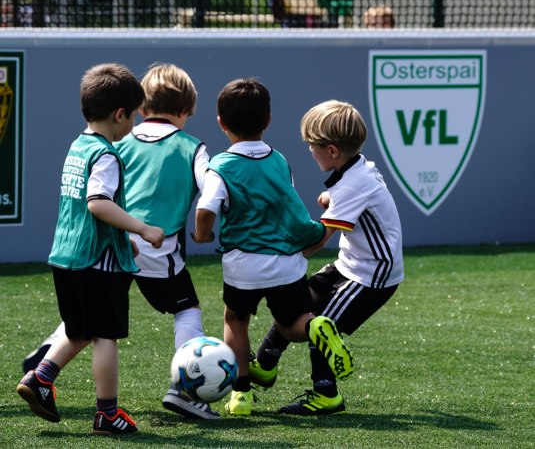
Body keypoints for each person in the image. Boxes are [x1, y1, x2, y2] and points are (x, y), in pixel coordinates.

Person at [22, 63, 220, 420]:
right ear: (184, 111)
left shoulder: (107, 141)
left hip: (101, 244)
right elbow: (210, 188)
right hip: (156, 246)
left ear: (143, 109)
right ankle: (182, 390)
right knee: (181, 309)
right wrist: (201, 224)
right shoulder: (190, 147)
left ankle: (47, 360)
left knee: (85, 317)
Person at [16, 63, 165, 435]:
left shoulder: (78, 146)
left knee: (79, 329)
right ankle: (107, 414)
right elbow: (97, 202)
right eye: (132, 115)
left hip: (66, 254)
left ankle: (40, 379)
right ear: (119, 114)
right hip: (96, 262)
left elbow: (87, 211)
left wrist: (120, 235)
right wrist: (142, 228)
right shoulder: (106, 155)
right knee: (105, 336)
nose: (132, 121)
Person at [191, 78, 355, 416]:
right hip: (286, 262)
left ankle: (241, 395)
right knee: (291, 323)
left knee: (235, 322)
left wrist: (202, 235)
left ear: (221, 123)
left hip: (243, 265)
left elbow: (206, 208)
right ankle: (314, 326)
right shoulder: (279, 160)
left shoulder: (219, 166)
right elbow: (287, 206)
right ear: (267, 120)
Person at [248, 99, 404, 415]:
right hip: (352, 263)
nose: (309, 150)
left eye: (312, 145)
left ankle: (327, 394)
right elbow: (349, 193)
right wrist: (329, 196)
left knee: (323, 325)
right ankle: (265, 365)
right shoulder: (357, 168)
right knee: (298, 301)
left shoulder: (352, 185)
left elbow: (319, 239)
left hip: (372, 275)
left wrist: (282, 254)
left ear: (332, 151)